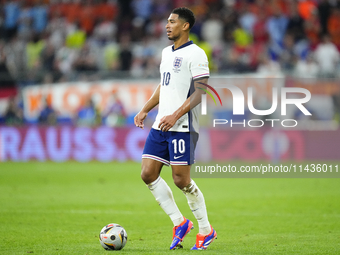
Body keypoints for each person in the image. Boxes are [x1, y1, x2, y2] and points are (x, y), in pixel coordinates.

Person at [134, 7, 216, 251]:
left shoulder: (197, 54)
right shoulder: (166, 52)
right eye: (167, 22)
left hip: (183, 126)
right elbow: (164, 85)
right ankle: (180, 223)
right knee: (148, 173)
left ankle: (205, 229)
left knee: (182, 180)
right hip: (161, 124)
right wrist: (145, 109)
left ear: (185, 26)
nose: (167, 26)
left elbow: (200, 93)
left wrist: (175, 114)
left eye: (172, 22)